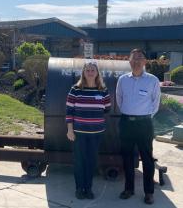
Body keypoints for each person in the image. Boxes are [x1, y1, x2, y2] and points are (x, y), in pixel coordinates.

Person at [116, 48, 161, 205]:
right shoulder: (122, 79)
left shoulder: (152, 80)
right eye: (133, 58)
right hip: (126, 123)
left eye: (139, 58)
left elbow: (155, 103)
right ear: (129, 61)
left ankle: (149, 192)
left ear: (144, 61)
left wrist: (144, 116)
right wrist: (129, 113)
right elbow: (119, 99)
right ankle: (129, 189)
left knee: (147, 159)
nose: (136, 61)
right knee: (127, 158)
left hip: (144, 124)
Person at [66, 60, 111, 200]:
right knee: (79, 161)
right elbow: (69, 111)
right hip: (79, 133)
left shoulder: (103, 90)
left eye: (93, 70)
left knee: (91, 161)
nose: (90, 72)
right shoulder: (75, 89)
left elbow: (107, 108)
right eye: (88, 70)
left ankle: (88, 189)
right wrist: (70, 130)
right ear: (83, 73)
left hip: (96, 134)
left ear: (97, 73)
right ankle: (79, 189)